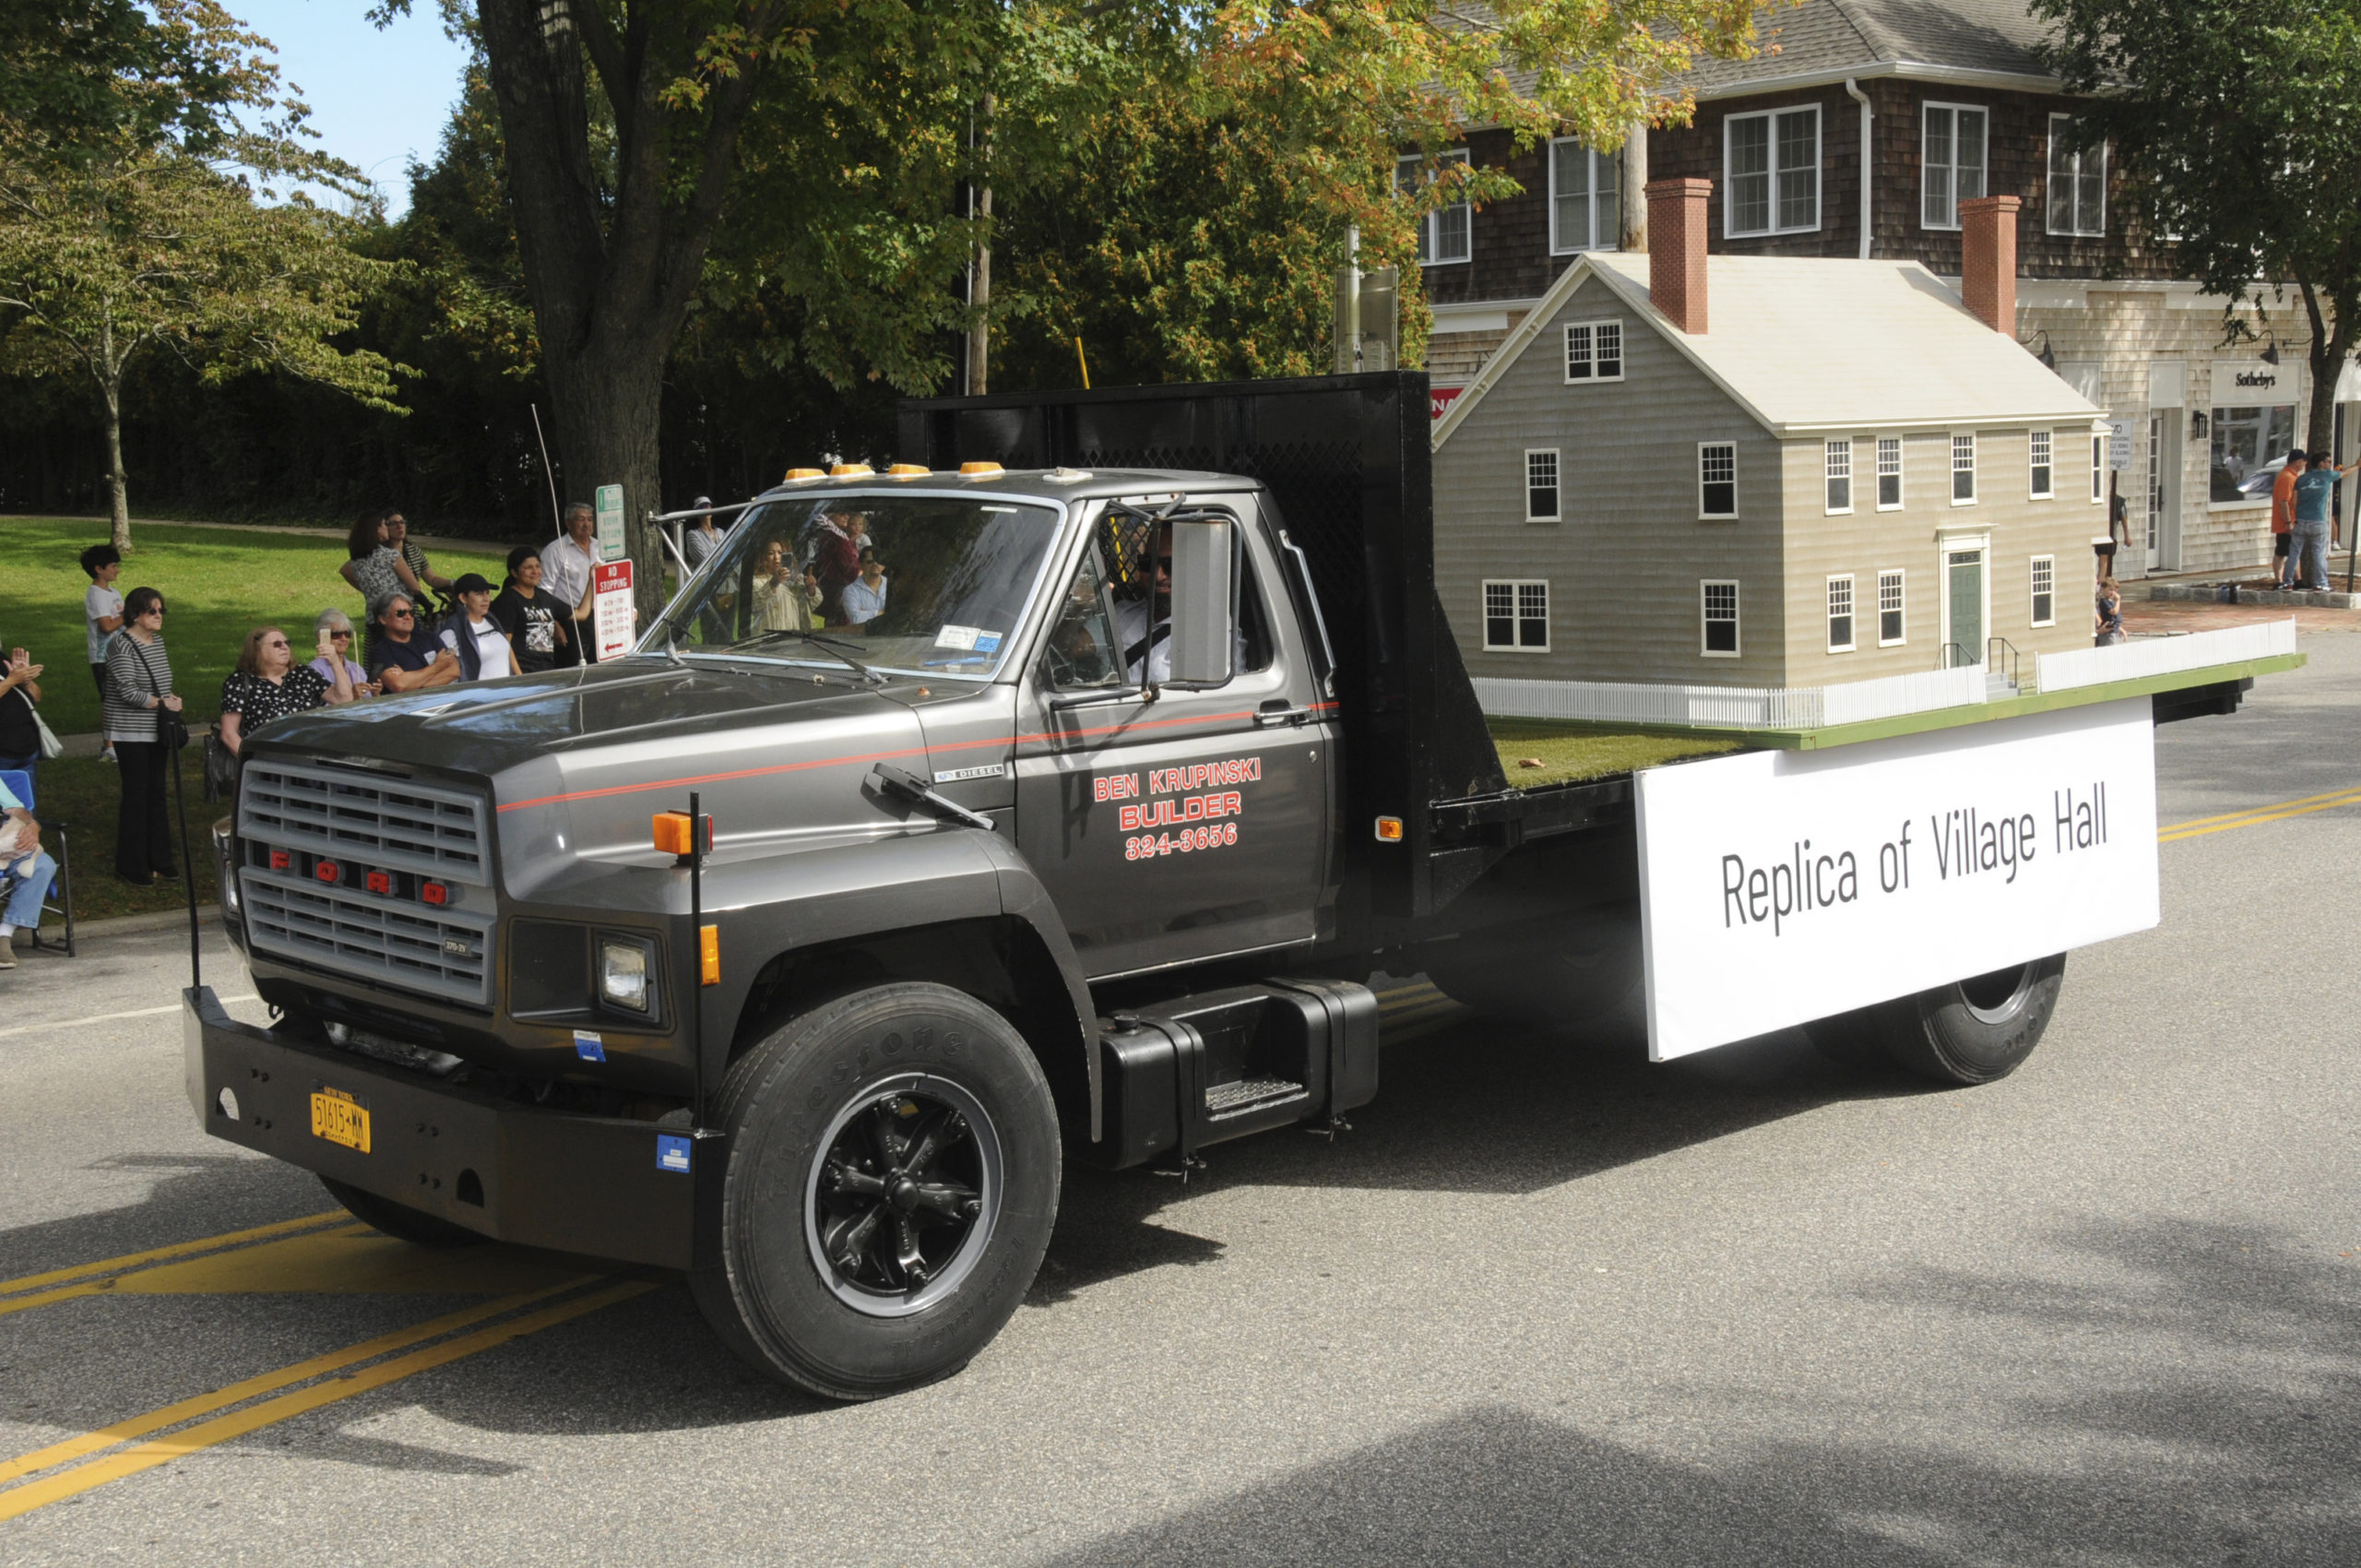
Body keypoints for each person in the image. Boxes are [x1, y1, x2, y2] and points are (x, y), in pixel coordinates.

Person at [102, 587, 182, 885]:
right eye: (152, 611)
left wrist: (171, 699)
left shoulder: (157, 642)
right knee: (137, 795)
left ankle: (160, 859)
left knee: (157, 793)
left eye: (161, 610)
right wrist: (163, 703)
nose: (159, 616)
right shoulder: (119, 644)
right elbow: (127, 692)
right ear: (135, 614)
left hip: (156, 728)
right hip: (129, 730)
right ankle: (131, 864)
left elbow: (161, 684)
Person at [219, 626, 348, 755]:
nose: (284, 647)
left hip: (310, 757)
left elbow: (344, 699)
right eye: (277, 644)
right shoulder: (240, 681)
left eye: (287, 643)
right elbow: (229, 734)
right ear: (257, 650)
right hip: (267, 761)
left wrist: (335, 662)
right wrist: (253, 763)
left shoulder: (302, 674)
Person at [0, 774, 56, 967]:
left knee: (43, 865)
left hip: (5, 845)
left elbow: (16, 809)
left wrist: (32, 825)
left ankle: (4, 936)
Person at [490, 548, 574, 672]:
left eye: (538, 566)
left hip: (545, 671)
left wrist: (591, 580)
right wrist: (519, 675)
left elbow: (580, 614)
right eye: (528, 568)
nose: (535, 571)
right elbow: (504, 644)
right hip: (523, 673)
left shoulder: (544, 596)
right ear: (514, 572)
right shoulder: (508, 600)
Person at [541, 503, 606, 659]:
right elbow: (544, 592)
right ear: (568, 523)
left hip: (601, 619)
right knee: (576, 667)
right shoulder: (555, 550)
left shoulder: (601, 548)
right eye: (581, 519)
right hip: (571, 620)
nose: (586, 524)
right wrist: (554, 624)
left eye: (590, 520)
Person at [364, 593, 461, 693]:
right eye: (401, 613)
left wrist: (412, 684)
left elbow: (454, 671)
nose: (408, 617)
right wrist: (437, 666)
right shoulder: (380, 652)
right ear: (383, 619)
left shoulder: (429, 637)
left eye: (411, 612)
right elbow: (399, 685)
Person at [80, 544, 125, 763]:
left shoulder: (113, 592)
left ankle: (120, 741)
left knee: (121, 697)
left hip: (119, 653)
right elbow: (106, 626)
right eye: (113, 566)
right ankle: (109, 746)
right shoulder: (96, 594)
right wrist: (129, 614)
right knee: (110, 700)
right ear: (99, 569)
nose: (117, 570)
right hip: (103, 657)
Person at [1114, 529, 1174, 683]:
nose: (1158, 575)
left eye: (1170, 564)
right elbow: (1074, 649)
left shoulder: (1213, 633)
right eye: (1149, 563)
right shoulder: (1122, 614)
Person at [2290, 448, 2351, 593]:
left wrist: (2295, 517)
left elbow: (2294, 500)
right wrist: (2357, 465)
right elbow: (2345, 473)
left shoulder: (2301, 479)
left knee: (2294, 552)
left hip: (2300, 520)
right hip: (2317, 521)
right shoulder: (2327, 476)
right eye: (2329, 461)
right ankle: (2321, 583)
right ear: (2322, 463)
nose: (2330, 464)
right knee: (2318, 553)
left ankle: (2287, 582)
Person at [340, 510, 425, 611]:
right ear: (377, 529)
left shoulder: (356, 561)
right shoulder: (391, 555)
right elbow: (415, 587)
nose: (387, 528)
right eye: (385, 524)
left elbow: (345, 571)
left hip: (373, 616)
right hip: (398, 614)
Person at [439, 574, 516, 681]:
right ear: (463, 598)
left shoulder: (492, 621)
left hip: (507, 693)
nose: (486, 599)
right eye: (479, 594)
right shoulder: (454, 630)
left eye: (487, 593)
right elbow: (448, 673)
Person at [808, 505, 866, 622]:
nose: (846, 516)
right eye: (841, 513)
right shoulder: (834, 538)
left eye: (847, 513)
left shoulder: (829, 534)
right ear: (829, 514)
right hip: (839, 594)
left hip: (833, 593)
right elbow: (850, 568)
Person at [0, 645, 45, 785]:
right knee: (8, 806)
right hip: (3, 754)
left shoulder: (2, 658)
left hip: (26, 751)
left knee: (27, 806)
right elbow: (10, 682)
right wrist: (11, 681)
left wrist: (26, 681)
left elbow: (36, 697)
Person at [749, 540, 817, 632]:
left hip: (792, 641)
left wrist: (810, 588)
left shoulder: (795, 581)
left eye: (780, 553)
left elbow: (813, 605)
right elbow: (754, 605)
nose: (777, 557)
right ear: (763, 557)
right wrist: (773, 583)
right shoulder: (756, 581)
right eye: (771, 553)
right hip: (768, 641)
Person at [309, 608, 375, 695]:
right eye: (336, 634)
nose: (343, 639)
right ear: (321, 636)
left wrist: (375, 694)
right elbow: (321, 706)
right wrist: (353, 696)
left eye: (347, 634)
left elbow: (368, 702)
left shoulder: (356, 668)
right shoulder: (315, 670)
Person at [385, 513, 454, 597]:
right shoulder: (381, 554)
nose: (400, 526)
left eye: (402, 522)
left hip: (414, 607)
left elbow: (432, 580)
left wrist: (453, 582)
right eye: (394, 523)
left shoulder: (414, 551)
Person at [2271, 449, 2305, 589]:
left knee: (2294, 551)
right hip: (2285, 523)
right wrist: (2288, 522)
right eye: (2303, 460)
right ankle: (2278, 581)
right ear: (2297, 462)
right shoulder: (2287, 478)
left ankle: (2298, 580)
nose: (2305, 463)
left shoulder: (2291, 476)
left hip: (2291, 521)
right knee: (2281, 552)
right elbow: (2284, 501)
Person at [842, 555, 889, 626]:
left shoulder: (894, 584)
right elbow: (856, 619)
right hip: (862, 636)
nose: (875, 564)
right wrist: (885, 613)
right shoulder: (850, 590)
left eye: (879, 560)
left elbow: (902, 614)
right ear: (861, 565)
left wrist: (865, 613)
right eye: (870, 561)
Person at [2094, 573, 2125, 647]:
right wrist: (2118, 601)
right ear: (2103, 589)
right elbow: (2114, 612)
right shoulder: (2104, 601)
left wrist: (2119, 628)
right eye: (2110, 590)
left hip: (2113, 629)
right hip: (2107, 632)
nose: (2113, 593)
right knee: (2108, 648)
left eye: (2115, 591)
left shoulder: (2111, 601)